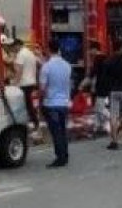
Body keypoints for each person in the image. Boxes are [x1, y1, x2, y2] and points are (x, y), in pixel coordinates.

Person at [40, 39, 72, 167]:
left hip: (51, 103)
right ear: (59, 49)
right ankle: (65, 154)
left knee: (55, 131)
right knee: (63, 130)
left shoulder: (46, 67)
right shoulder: (67, 65)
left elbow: (42, 88)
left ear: (48, 49)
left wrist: (41, 102)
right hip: (64, 102)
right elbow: (68, 83)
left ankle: (60, 157)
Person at [13, 38, 41, 136]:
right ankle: (35, 123)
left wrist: (14, 84)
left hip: (24, 83)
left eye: (14, 47)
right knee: (29, 105)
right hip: (31, 82)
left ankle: (30, 124)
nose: (13, 49)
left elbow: (19, 71)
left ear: (17, 45)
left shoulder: (21, 54)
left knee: (24, 106)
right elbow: (36, 68)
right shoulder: (30, 53)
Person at [84, 40, 110, 140]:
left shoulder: (98, 58)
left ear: (95, 49)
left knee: (99, 107)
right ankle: (100, 126)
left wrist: (83, 83)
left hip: (100, 86)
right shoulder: (104, 57)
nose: (89, 52)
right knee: (98, 106)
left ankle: (112, 118)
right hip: (103, 86)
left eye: (90, 49)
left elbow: (93, 73)